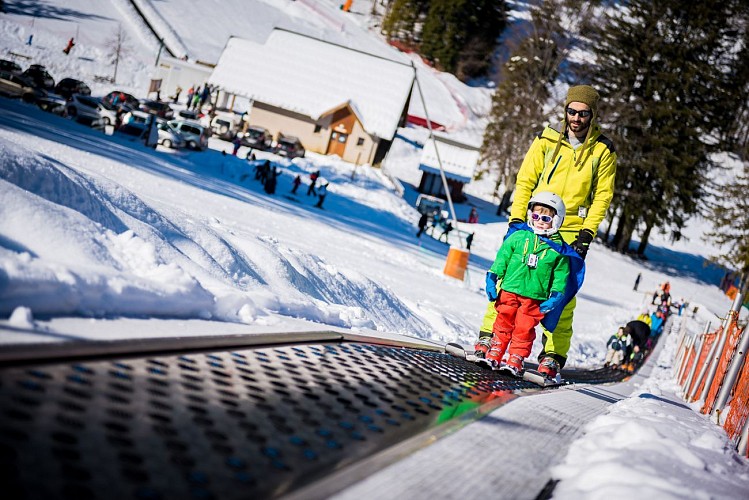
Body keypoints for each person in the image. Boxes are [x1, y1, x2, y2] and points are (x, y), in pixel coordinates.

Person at [474, 84, 617, 379]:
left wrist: (586, 235)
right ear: (565, 111)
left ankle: (552, 353)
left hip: (570, 231)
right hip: (534, 221)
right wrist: (516, 219)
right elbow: (526, 179)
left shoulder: (602, 150)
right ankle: (490, 336)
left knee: (562, 294)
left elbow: (602, 196)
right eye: (572, 111)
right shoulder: (547, 139)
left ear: (593, 114)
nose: (576, 117)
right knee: (510, 282)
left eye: (583, 113)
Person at [482, 192, 581, 376]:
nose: (540, 221)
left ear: (557, 220)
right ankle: (496, 350)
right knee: (503, 321)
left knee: (524, 328)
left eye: (546, 218)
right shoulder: (518, 238)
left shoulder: (558, 250)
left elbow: (561, 275)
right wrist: (493, 275)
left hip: (534, 298)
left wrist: (556, 295)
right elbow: (503, 258)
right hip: (509, 290)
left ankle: (516, 358)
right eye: (536, 216)